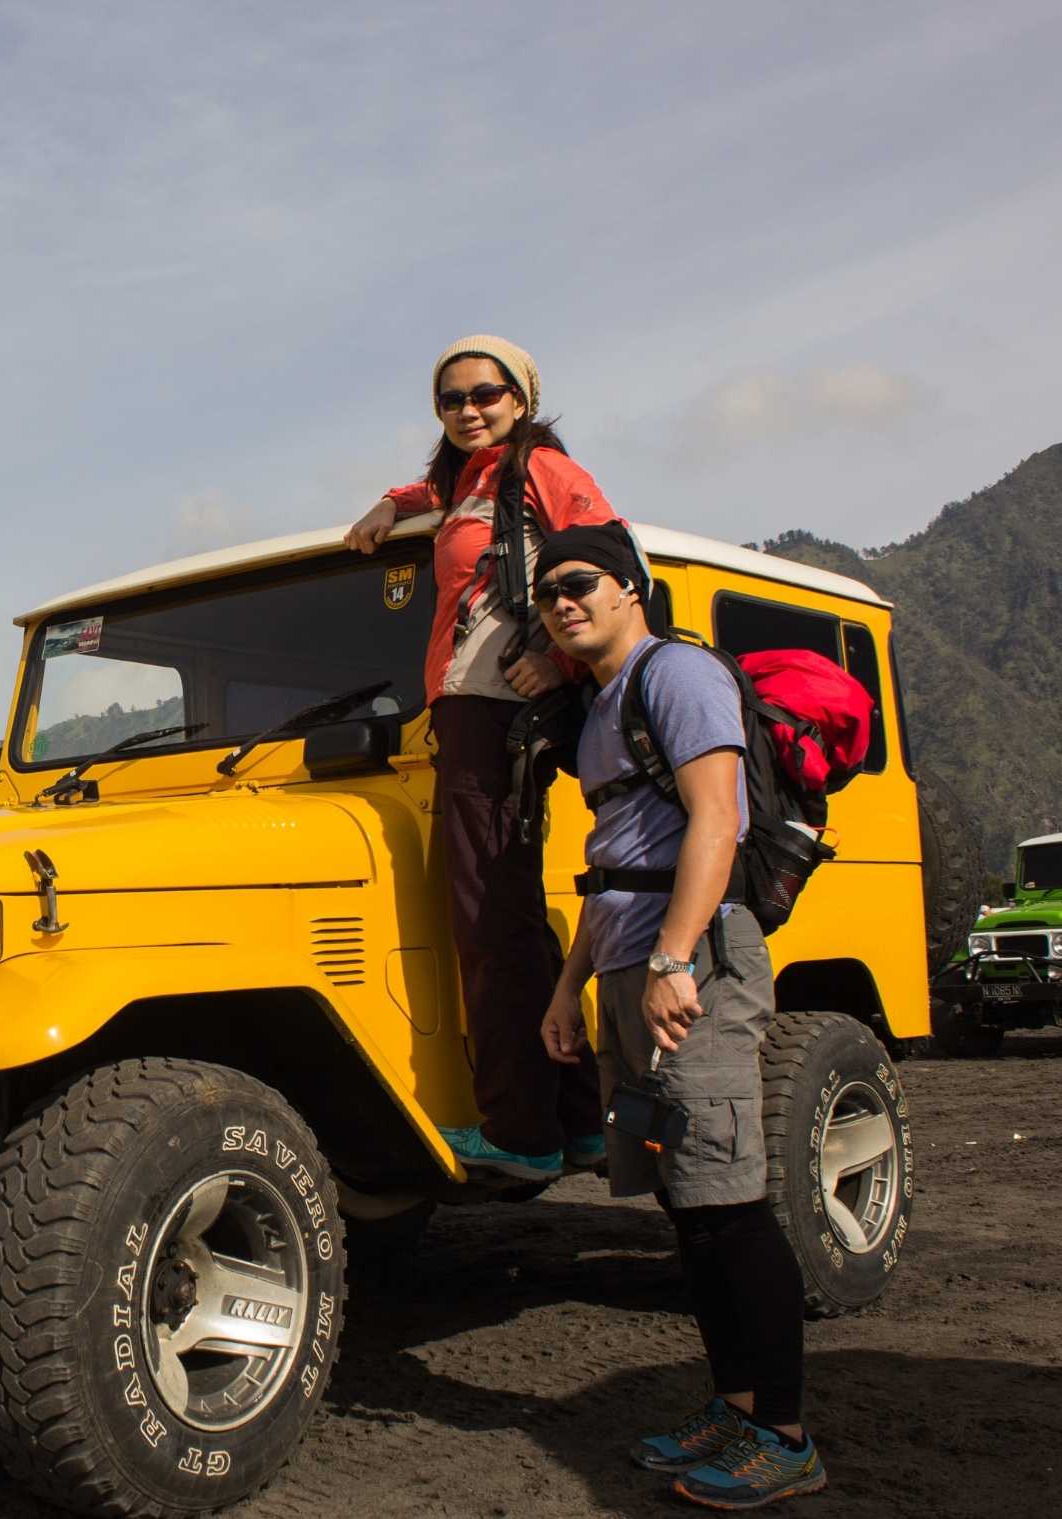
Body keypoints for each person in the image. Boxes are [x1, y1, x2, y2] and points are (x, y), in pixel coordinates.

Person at [533, 523, 824, 1510]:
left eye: (580, 583)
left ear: (629, 589)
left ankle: (784, 1435)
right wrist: (570, 985)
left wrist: (672, 959)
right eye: (546, 593)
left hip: (689, 959)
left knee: (730, 1203)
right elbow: (609, 862)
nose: (562, 601)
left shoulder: (677, 673)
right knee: (685, 1203)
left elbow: (718, 816)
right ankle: (736, 1407)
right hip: (628, 962)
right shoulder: (600, 704)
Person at [345, 335, 613, 1180]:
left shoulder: (543, 470)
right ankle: (575, 1120)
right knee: (512, 919)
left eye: (485, 394)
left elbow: (611, 562)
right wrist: (395, 501)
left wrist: (561, 660)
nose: (469, 408)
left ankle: (519, 1131)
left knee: (484, 918)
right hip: (464, 705)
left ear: (520, 396)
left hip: (494, 707)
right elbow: (434, 492)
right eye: (450, 398)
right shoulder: (466, 483)